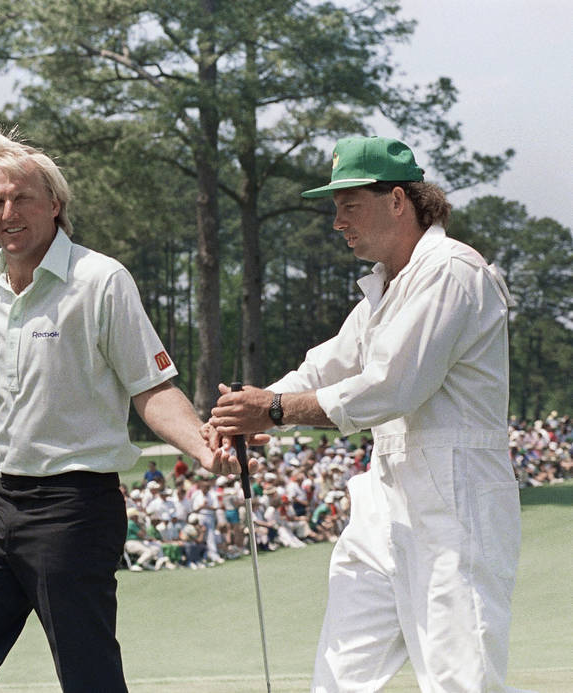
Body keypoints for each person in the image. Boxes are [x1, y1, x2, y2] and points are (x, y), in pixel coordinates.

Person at [0, 126, 248, 692]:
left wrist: (202, 447)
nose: (8, 212)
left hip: (78, 507)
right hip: (7, 503)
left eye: (21, 198)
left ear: (54, 204)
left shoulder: (100, 280)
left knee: (89, 679)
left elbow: (151, 388)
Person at [209, 136, 520, 692]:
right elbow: (323, 368)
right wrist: (241, 413)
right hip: (385, 501)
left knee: (460, 680)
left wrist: (272, 411)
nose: (338, 223)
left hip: (457, 500)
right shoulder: (384, 288)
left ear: (398, 200)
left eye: (349, 205)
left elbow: (392, 388)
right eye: (336, 208)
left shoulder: (451, 270)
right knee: (340, 676)